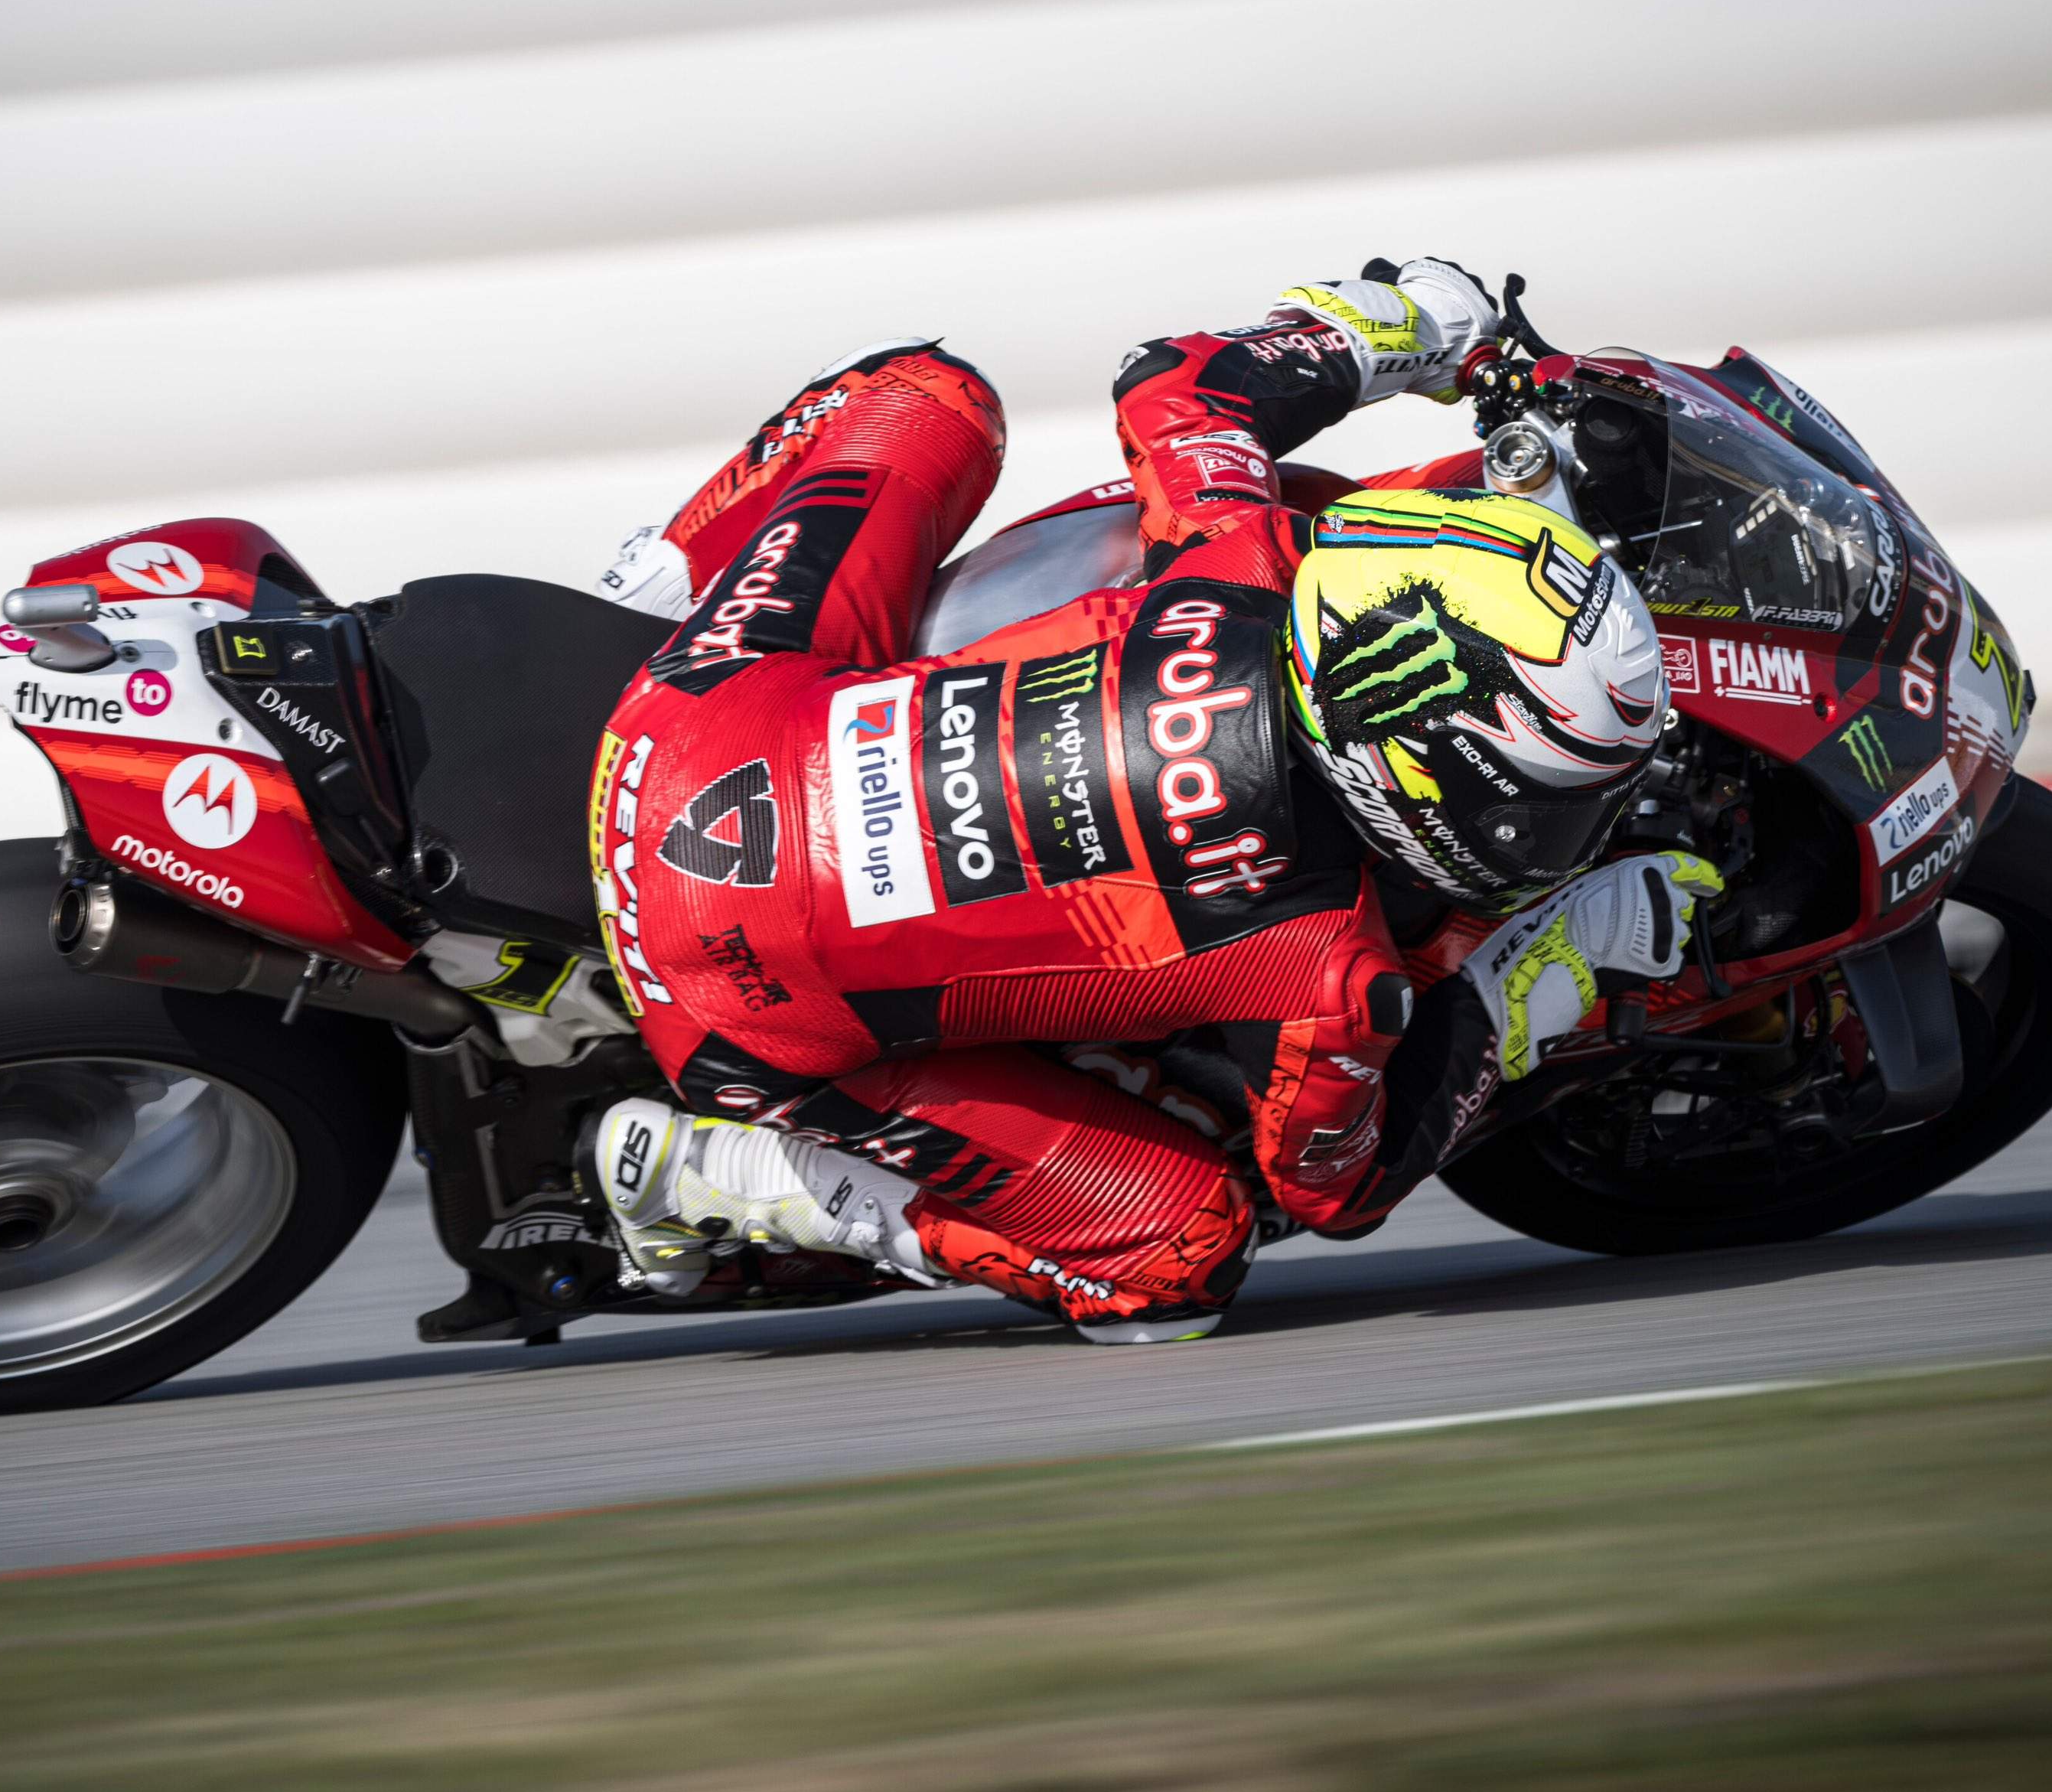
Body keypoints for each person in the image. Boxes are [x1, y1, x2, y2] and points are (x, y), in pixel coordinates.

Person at [581, 259, 1720, 1342]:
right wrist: (1546, 970)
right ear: (1411, 773)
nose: (1573, 827)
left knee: (928, 394)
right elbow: (1337, 1186)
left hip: (684, 725)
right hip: (732, 1008)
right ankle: (729, 1175)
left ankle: (643, 606)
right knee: (1180, 1256)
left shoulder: (1241, 552)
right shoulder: (1318, 961)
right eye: (1549, 801)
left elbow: (1176, 381)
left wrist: (1409, 326)